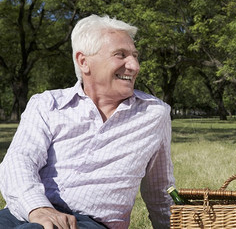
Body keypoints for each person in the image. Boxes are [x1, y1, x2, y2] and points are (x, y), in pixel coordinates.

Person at [0, 15, 175, 229]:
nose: (135, 66)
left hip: (91, 223)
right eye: (121, 55)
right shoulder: (47, 104)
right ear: (84, 62)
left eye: (135, 56)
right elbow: (19, 162)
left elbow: (159, 192)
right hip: (26, 213)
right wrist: (38, 209)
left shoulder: (153, 114)